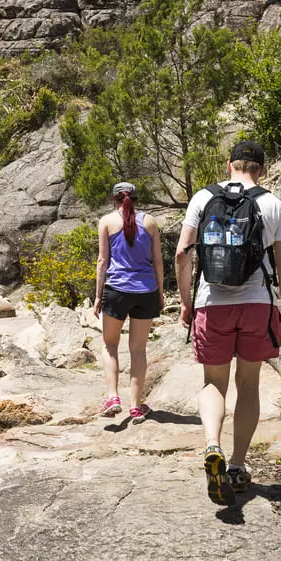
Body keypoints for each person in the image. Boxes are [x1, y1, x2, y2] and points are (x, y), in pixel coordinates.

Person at [174, 140, 281, 505]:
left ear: (228, 165)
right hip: (257, 304)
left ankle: (212, 444)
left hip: (212, 304)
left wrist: (185, 302)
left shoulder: (202, 198)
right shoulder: (273, 204)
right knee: (249, 384)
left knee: (214, 382)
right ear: (262, 169)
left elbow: (182, 254)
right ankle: (238, 466)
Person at [94, 181, 164, 424]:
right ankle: (135, 407)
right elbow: (158, 261)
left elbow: (103, 261)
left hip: (117, 290)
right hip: (146, 290)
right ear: (136, 199)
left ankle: (113, 397)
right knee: (138, 349)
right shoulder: (151, 222)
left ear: (114, 199)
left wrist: (97, 296)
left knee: (110, 345)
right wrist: (161, 293)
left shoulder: (106, 222)